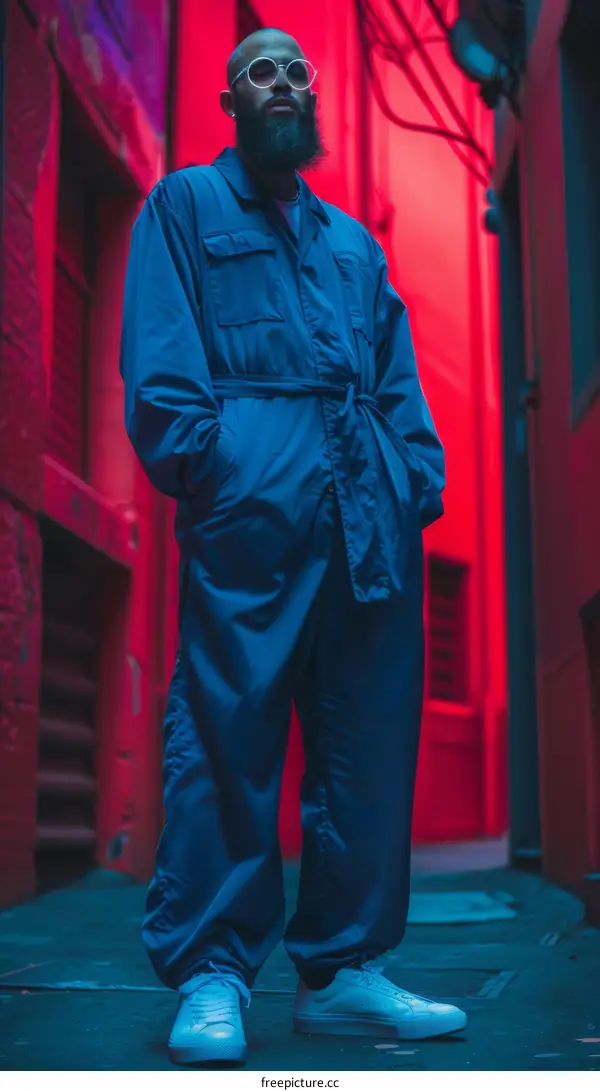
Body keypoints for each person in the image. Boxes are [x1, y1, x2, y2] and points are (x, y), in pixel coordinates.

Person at [120, 25, 466, 1067]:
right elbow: (163, 361)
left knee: (366, 742)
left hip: (369, 509)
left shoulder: (355, 246)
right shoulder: (184, 206)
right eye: (258, 72)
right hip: (252, 505)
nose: (279, 84)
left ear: (308, 97)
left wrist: (415, 481)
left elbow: (397, 377)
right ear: (233, 99)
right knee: (227, 730)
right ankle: (214, 969)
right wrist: (217, 465)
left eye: (292, 73)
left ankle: (346, 971)